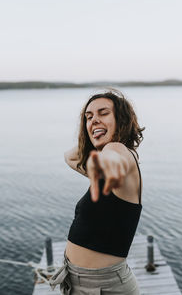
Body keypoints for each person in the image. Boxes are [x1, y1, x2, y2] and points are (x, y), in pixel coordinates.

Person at [49, 88, 144, 294]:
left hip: (105, 287)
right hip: (75, 281)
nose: (94, 120)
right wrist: (93, 134)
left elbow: (114, 155)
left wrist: (107, 151)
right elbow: (70, 157)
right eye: (89, 117)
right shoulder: (103, 172)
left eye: (103, 113)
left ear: (122, 118)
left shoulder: (120, 152)